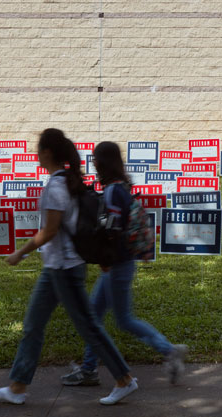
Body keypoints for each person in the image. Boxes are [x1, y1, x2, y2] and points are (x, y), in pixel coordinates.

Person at [0, 128, 138, 406]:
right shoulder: (65, 181)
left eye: (38, 149)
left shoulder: (57, 186)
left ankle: (124, 379)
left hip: (66, 268)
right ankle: (17, 387)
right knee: (33, 325)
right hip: (55, 267)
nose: (35, 153)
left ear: (47, 153)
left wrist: (19, 253)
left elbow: (50, 231)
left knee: (88, 325)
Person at [60, 141, 188, 387]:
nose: (93, 163)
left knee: (124, 319)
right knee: (94, 315)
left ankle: (169, 350)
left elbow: (113, 229)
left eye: (96, 159)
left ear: (103, 162)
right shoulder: (119, 187)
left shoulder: (112, 191)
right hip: (119, 262)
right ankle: (88, 369)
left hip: (117, 264)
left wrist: (106, 260)